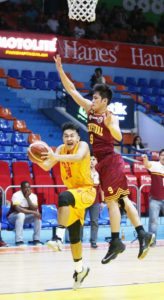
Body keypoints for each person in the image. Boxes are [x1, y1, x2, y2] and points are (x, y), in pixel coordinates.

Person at [53, 54, 155, 264]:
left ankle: (117, 241)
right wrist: (61, 70)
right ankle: (142, 234)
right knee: (122, 200)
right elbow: (72, 90)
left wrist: (110, 125)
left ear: (105, 101)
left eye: (97, 98)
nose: (93, 99)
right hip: (102, 163)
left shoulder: (110, 116)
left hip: (110, 160)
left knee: (112, 202)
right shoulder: (90, 109)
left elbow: (117, 136)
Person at [32, 122, 96, 290]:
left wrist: (55, 157)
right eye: (66, 136)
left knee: (63, 197)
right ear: (62, 138)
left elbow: (78, 157)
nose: (69, 138)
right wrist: (34, 158)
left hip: (86, 191)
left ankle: (58, 238)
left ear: (77, 137)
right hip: (74, 194)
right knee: (75, 236)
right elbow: (46, 166)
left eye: (72, 135)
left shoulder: (83, 146)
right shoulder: (60, 149)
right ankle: (80, 270)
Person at [7, 181, 42, 246]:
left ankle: (36, 239)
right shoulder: (16, 195)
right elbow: (18, 209)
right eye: (25, 187)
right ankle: (19, 241)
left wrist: (27, 198)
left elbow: (35, 208)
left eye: (29, 187)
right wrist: (33, 212)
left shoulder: (33, 196)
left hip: (25, 217)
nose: (28, 189)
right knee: (21, 214)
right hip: (13, 217)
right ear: (21, 188)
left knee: (37, 215)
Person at [143, 149, 164, 245]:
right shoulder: (155, 165)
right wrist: (145, 159)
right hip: (155, 200)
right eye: (162, 155)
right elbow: (147, 165)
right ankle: (152, 242)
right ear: (159, 156)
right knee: (153, 222)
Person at [83, 155, 104, 248]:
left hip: (95, 201)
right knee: (80, 221)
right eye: (90, 159)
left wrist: (102, 201)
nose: (91, 161)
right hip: (84, 200)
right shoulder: (84, 172)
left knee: (94, 221)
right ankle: (78, 240)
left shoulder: (100, 174)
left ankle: (93, 241)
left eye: (93, 159)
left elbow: (102, 189)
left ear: (97, 162)